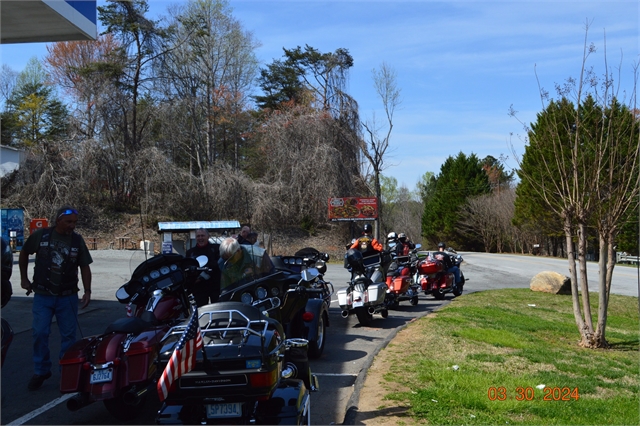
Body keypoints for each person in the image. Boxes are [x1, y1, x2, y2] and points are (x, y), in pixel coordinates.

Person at [19, 206, 93, 391]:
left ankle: (66, 371)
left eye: (75, 222)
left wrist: (88, 291)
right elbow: (24, 252)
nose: (72, 226)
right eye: (69, 222)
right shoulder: (41, 236)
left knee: (69, 337)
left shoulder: (77, 241)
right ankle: (41, 370)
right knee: (39, 332)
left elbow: (85, 266)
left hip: (67, 296)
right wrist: (24, 278)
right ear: (58, 220)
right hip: (43, 296)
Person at [185, 228, 221, 306]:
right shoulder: (190, 252)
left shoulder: (216, 248)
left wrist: (206, 272)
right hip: (199, 287)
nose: (200, 238)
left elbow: (218, 263)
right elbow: (187, 268)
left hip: (215, 286)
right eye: (198, 236)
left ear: (208, 237)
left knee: (218, 308)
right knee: (201, 310)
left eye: (202, 236)